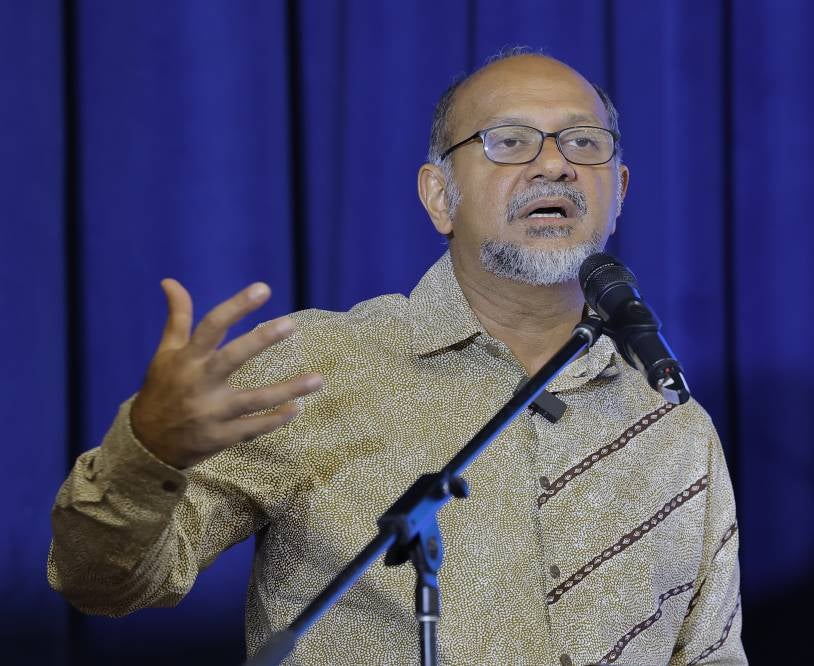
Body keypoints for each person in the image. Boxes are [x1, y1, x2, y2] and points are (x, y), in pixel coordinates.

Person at [48, 51, 746, 665]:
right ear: (440, 196)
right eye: (510, 142)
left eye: (584, 142)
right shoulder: (320, 368)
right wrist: (147, 455)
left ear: (617, 191)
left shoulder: (671, 425)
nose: (556, 163)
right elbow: (103, 586)